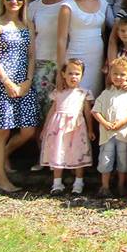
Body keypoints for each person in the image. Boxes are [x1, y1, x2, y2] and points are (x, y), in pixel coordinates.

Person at [0, 0, 41, 193]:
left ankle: (5, 155)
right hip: (2, 84)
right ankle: (1, 179)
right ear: (3, 1)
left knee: (28, 131)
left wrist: (27, 80)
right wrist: (7, 82)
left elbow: (32, 55)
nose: (14, 2)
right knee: (2, 132)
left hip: (24, 83)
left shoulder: (28, 25)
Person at [27, 0, 70, 170]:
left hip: (65, 63)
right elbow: (31, 36)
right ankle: (41, 156)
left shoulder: (70, 3)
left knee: (61, 111)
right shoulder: (35, 7)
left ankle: (60, 158)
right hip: (42, 62)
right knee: (42, 110)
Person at [40, 58, 94, 195]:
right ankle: (57, 183)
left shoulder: (84, 93)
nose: (73, 77)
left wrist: (90, 129)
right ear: (63, 74)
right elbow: (52, 111)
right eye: (70, 73)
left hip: (77, 128)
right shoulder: (58, 92)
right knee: (58, 152)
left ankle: (78, 182)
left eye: (77, 74)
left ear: (82, 75)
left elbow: (88, 113)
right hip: (58, 129)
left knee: (78, 153)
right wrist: (45, 128)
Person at [91, 57, 127, 198]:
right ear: (110, 75)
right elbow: (95, 111)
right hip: (107, 134)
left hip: (123, 133)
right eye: (115, 74)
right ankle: (104, 187)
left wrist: (122, 122)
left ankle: (121, 185)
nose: (118, 77)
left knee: (123, 159)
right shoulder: (106, 93)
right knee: (106, 159)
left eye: (122, 74)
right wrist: (105, 123)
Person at [57, 0, 108, 95]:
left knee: (93, 96)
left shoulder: (103, 3)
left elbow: (103, 34)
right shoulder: (68, 6)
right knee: (74, 95)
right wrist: (60, 70)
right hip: (76, 55)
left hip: (97, 56)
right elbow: (62, 39)